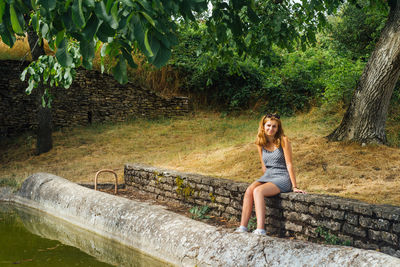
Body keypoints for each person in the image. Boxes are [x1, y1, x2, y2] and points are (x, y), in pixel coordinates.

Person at [236, 113, 305, 235]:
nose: (271, 129)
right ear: (263, 126)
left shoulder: (283, 140)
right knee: (249, 190)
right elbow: (264, 165)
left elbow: (289, 164)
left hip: (282, 176)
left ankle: (260, 229)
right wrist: (264, 180)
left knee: (258, 191)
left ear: (278, 128)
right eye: (268, 125)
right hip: (269, 175)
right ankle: (242, 227)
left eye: (274, 126)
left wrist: (294, 186)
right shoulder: (260, 143)